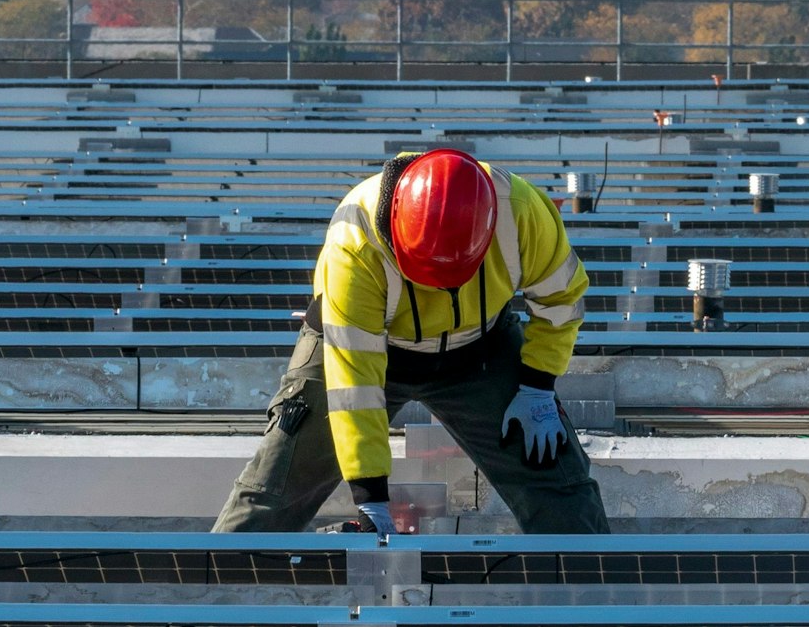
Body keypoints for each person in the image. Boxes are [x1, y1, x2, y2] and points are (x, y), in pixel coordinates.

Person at [213, 148, 609, 534]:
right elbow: (355, 387)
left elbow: (562, 300)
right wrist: (370, 495)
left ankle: (594, 591)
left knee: (559, 483)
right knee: (277, 486)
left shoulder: (522, 210)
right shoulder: (355, 242)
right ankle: (216, 588)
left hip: (481, 349)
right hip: (365, 349)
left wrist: (537, 385)